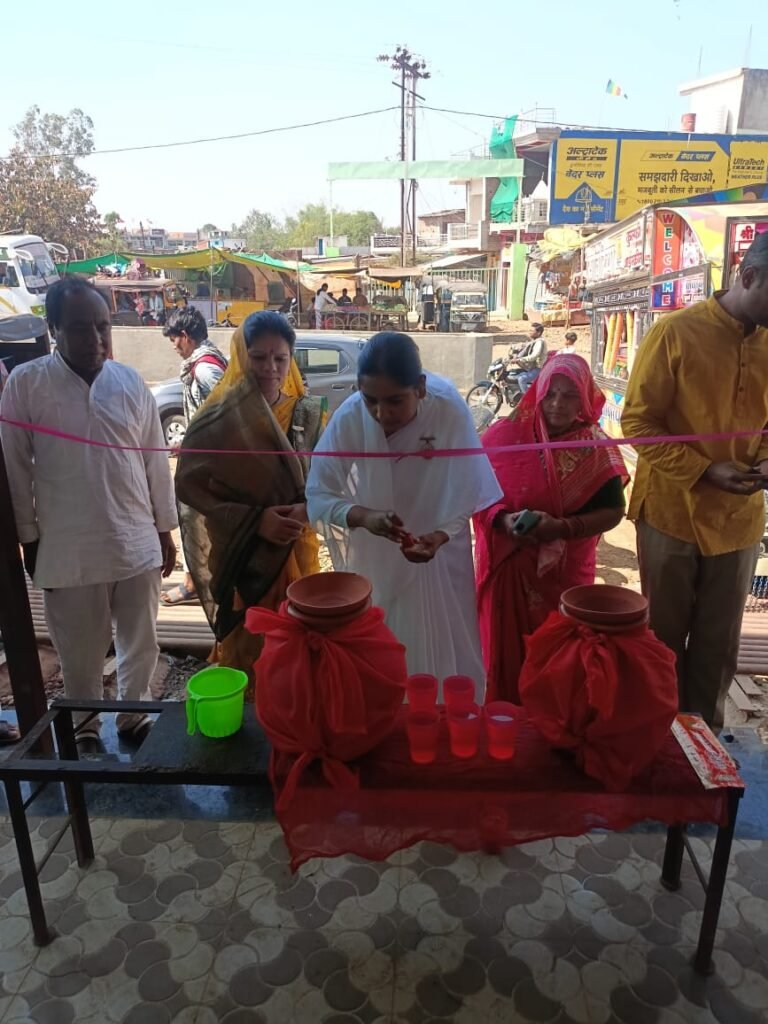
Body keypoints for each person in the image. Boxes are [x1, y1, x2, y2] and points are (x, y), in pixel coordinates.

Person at [0, 277, 177, 751]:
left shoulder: (129, 382)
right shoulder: (27, 384)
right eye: (81, 328)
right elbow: (15, 468)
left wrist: (164, 529)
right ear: (54, 329)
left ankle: (134, 716)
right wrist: (29, 539)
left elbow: (154, 460)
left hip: (135, 538)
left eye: (102, 326)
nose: (96, 339)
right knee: (78, 649)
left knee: (141, 640)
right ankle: (85, 727)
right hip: (67, 547)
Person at [622, 232, 768, 732]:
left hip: (738, 520)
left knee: (719, 644)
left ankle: (704, 745)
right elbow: (637, 422)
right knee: (662, 640)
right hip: (671, 514)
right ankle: (658, 739)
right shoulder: (675, 333)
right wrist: (704, 469)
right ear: (749, 276)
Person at [306, 331, 502, 700]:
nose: (382, 414)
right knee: (385, 642)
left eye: (395, 401)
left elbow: (468, 486)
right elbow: (317, 496)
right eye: (371, 400)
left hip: (441, 551)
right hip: (377, 553)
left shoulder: (447, 407)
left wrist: (440, 536)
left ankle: (443, 717)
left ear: (421, 388)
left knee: (447, 642)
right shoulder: (351, 416)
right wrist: (365, 517)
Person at [175, 311, 326, 682]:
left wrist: (306, 510)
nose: (270, 368)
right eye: (258, 357)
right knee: (250, 648)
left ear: (291, 361)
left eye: (280, 358)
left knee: (298, 644)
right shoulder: (218, 420)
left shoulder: (308, 414)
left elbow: (330, 482)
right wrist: (256, 521)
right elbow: (189, 486)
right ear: (242, 356)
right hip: (242, 557)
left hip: (296, 549)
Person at [474, 354, 627, 702]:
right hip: (507, 568)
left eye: (570, 395)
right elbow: (475, 492)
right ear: (538, 393)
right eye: (550, 394)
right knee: (505, 655)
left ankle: (551, 721)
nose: (558, 404)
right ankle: (507, 715)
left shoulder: (595, 448)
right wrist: (503, 520)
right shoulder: (504, 436)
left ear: (584, 397)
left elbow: (614, 511)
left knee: (560, 658)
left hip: (564, 575)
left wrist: (563, 527)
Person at [161, 307, 228, 606]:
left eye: (174, 339)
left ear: (185, 336)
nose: (174, 346)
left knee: (193, 519)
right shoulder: (211, 360)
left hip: (209, 462)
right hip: (206, 458)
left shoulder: (205, 369)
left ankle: (196, 583)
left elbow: (227, 411)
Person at [512, 323, 547, 392]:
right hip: (532, 367)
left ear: (538, 333)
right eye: (530, 330)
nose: (530, 332)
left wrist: (519, 360)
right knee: (514, 374)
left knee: (522, 379)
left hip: (537, 369)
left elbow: (534, 356)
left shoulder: (539, 342)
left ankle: (527, 397)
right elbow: (524, 348)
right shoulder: (534, 340)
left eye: (532, 331)